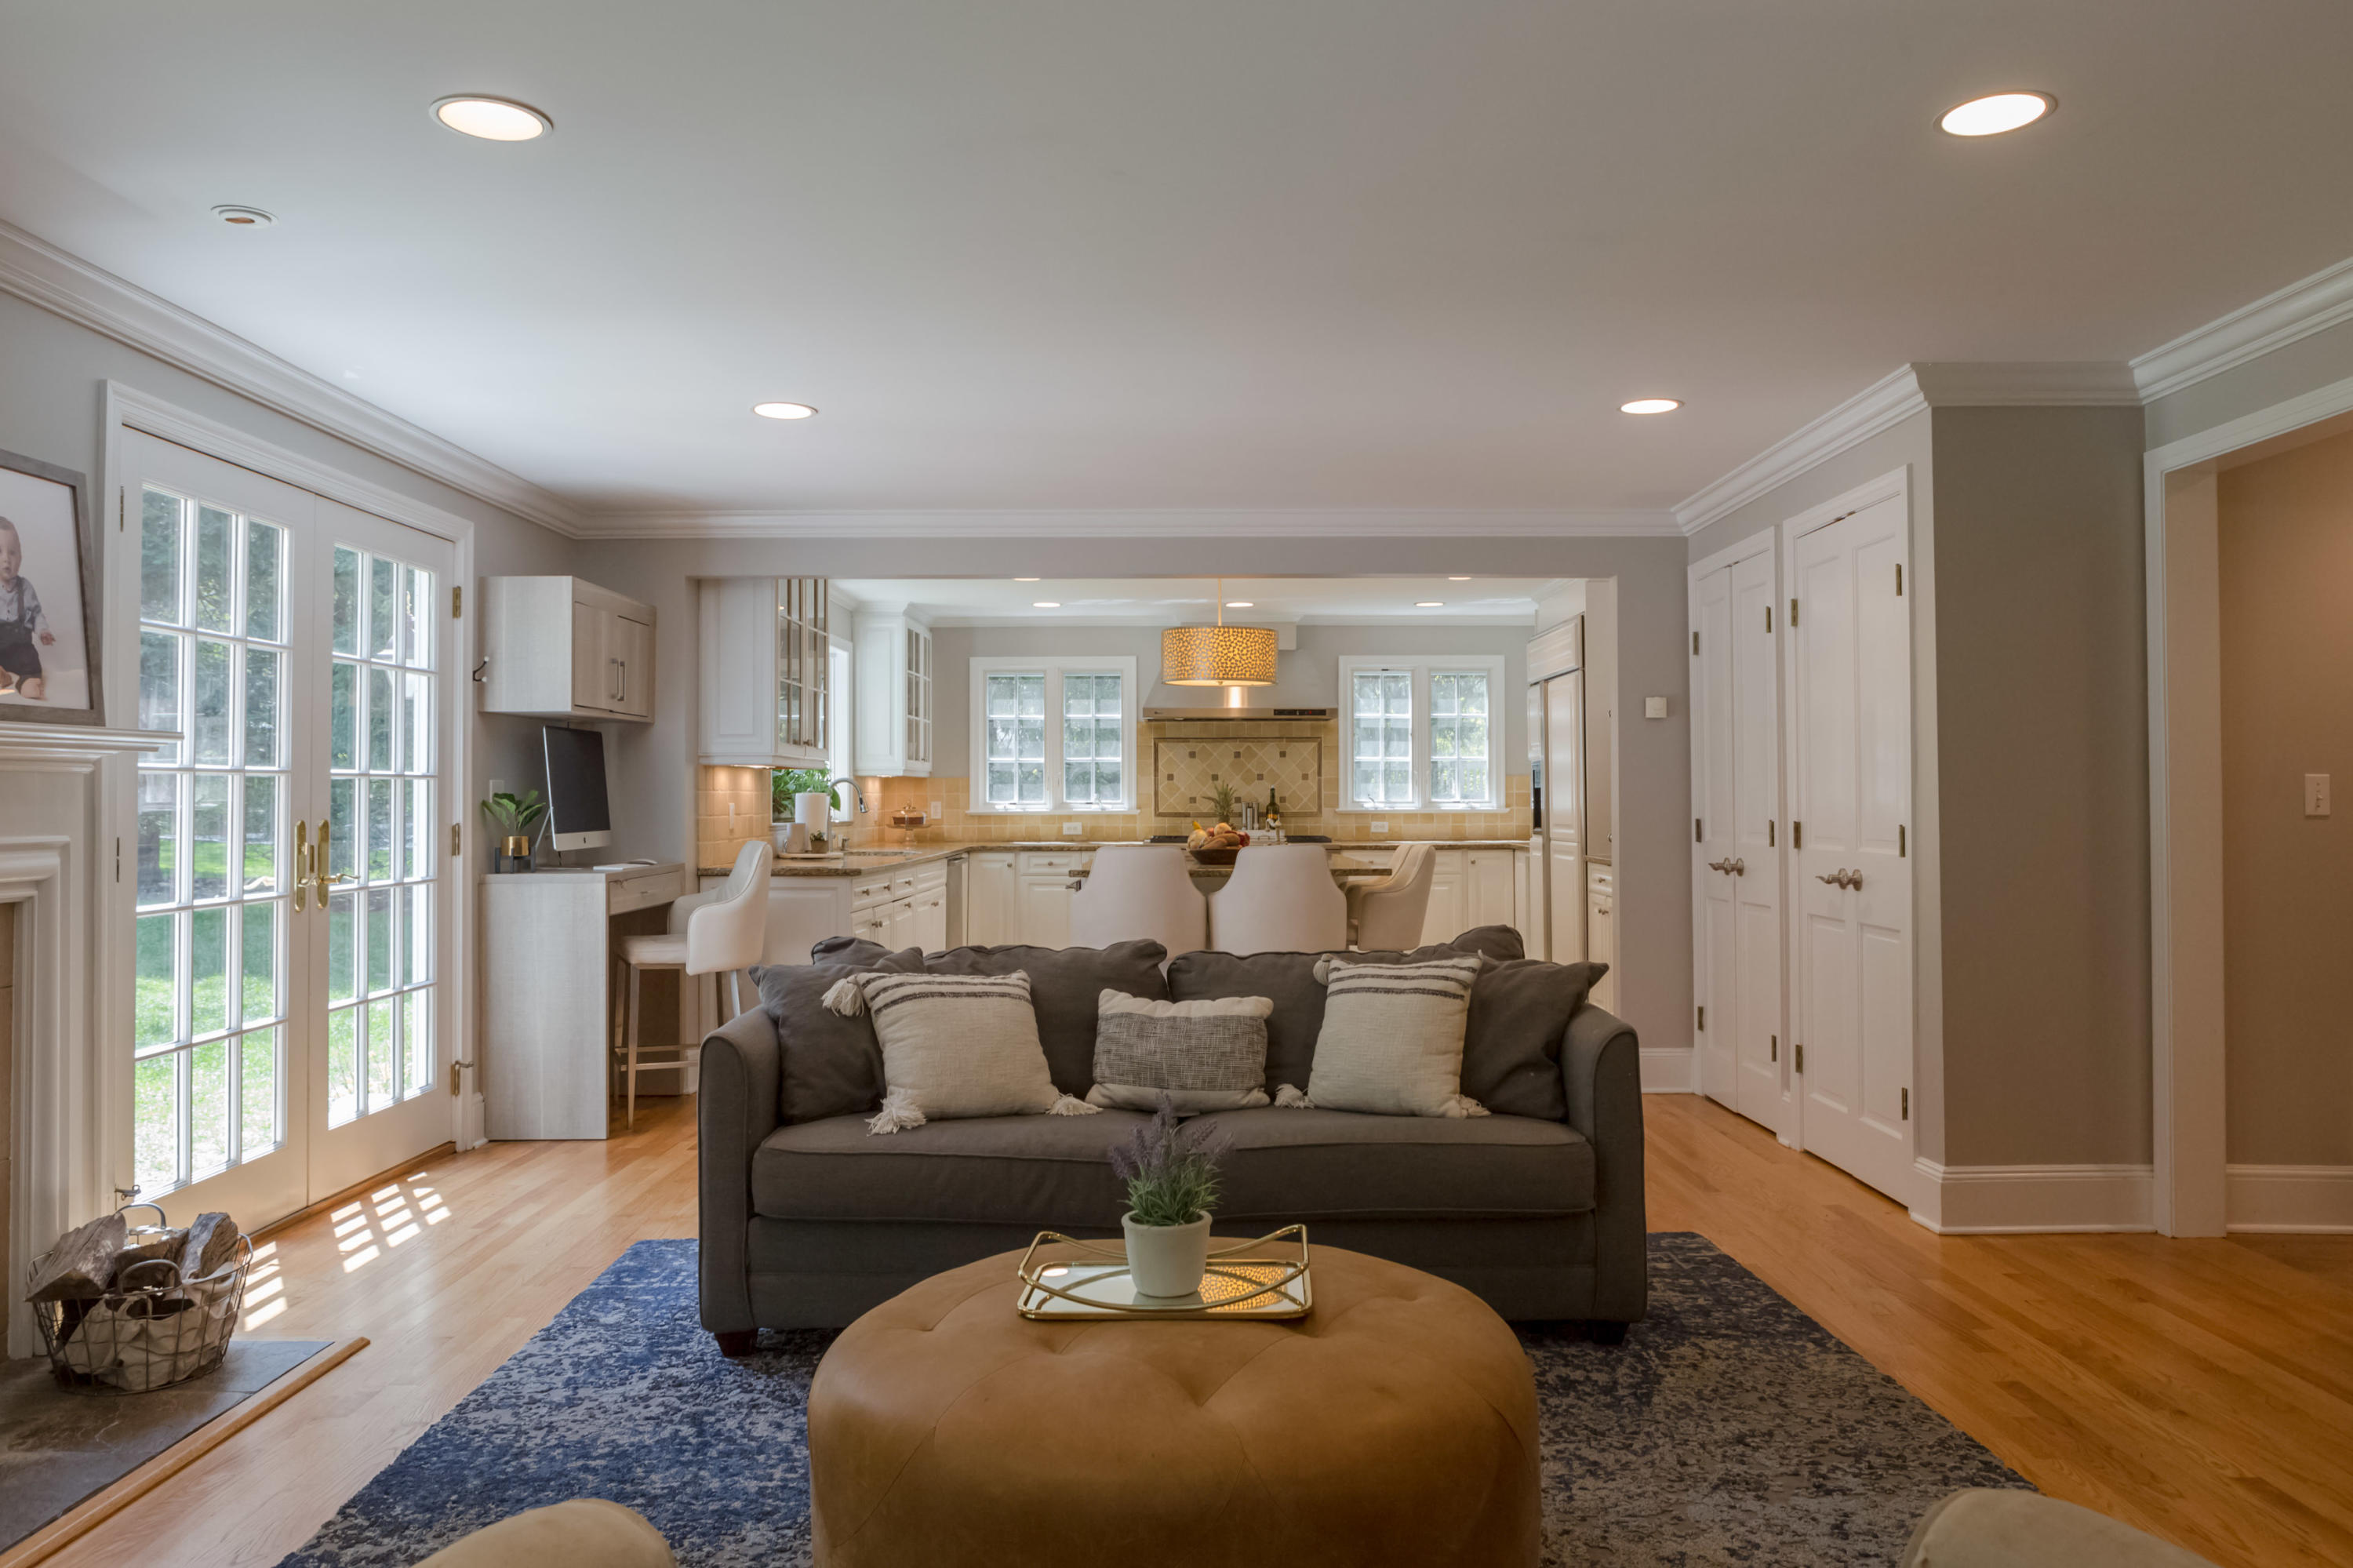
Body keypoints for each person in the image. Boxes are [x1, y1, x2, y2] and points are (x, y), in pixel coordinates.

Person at [0, 515, 57, 701]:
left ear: (21, 556)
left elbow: (36, 614)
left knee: (31, 663)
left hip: (21, 648)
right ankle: (3, 676)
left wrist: (43, 631)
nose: (6, 560)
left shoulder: (25, 588)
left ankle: (28, 681)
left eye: (13, 552)